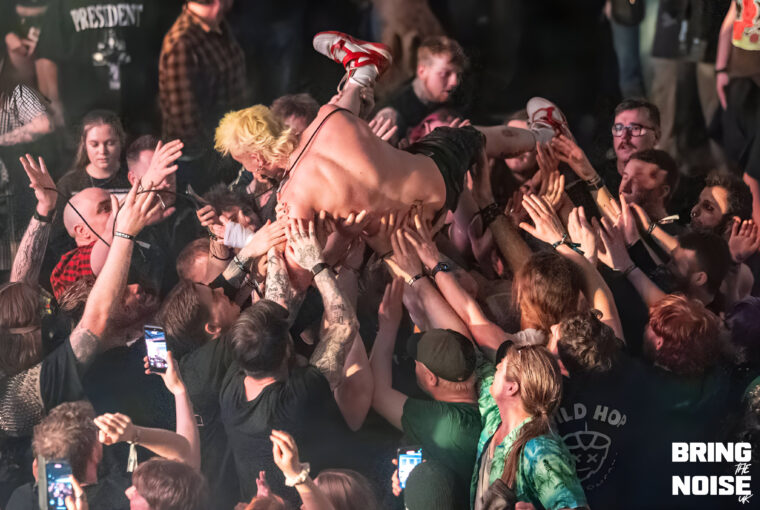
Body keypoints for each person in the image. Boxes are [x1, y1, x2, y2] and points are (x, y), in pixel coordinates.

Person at [214, 31, 571, 286]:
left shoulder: (293, 199)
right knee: (473, 136)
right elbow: (351, 98)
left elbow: (298, 277)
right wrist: (361, 76)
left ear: (256, 158)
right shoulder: (329, 116)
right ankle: (544, 134)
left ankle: (363, 69)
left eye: (242, 161)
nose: (245, 168)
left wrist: (248, 248)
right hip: (433, 178)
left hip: (404, 238)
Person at [219, 219, 362, 504]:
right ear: (288, 350)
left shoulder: (232, 386)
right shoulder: (295, 399)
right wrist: (317, 264)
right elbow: (345, 325)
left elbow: (277, 308)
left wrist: (275, 251)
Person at [369, 279, 480, 503]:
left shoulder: (444, 422)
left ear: (431, 378)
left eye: (416, 362)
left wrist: (387, 327)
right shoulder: (484, 379)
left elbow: (378, 394)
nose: (414, 365)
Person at [472, 343, 588, 510]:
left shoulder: (540, 450)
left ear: (511, 387)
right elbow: (477, 363)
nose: (496, 367)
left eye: (501, 365)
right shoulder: (495, 420)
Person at [159, 0, 245, 189]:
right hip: (199, 162)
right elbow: (184, 120)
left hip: (227, 148)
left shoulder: (217, 26)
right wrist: (217, 155)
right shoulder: (182, 42)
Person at [372, 36, 468, 139]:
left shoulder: (452, 97)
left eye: (458, 74)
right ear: (422, 71)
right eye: (445, 74)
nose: (455, 82)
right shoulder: (392, 115)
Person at [54, 110, 130, 202]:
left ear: (121, 141)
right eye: (94, 144)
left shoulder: (134, 178)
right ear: (84, 144)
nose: (102, 151)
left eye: (110, 143)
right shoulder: (69, 185)